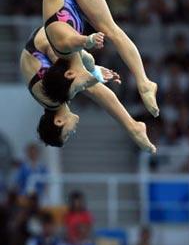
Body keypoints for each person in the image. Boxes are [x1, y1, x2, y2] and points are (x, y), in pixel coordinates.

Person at [42, 0, 159, 118]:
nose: (82, 89)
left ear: (69, 74)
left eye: (76, 89)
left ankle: (144, 83)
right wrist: (97, 73)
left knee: (111, 30)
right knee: (109, 30)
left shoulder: (63, 44)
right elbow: (88, 62)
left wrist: (89, 40)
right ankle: (144, 83)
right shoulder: (70, 60)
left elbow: (74, 41)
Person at [21, 26, 156, 152]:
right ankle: (133, 126)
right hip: (47, 38)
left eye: (67, 133)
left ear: (58, 121)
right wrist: (92, 74)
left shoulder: (52, 98)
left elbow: (97, 92)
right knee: (84, 74)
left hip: (50, 35)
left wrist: (129, 125)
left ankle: (135, 122)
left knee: (109, 33)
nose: (73, 131)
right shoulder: (52, 100)